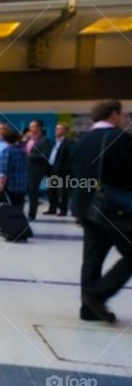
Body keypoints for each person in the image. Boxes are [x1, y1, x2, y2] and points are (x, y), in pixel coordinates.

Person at [70, 100, 132, 323]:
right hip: (113, 208)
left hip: (85, 207)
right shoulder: (119, 138)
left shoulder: (80, 141)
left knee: (92, 257)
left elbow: (69, 173)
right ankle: (96, 295)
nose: (124, 119)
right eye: (123, 114)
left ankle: (88, 310)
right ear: (114, 114)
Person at [0, 125, 28, 208]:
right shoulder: (22, 150)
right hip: (21, 182)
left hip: (11, 184)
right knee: (19, 206)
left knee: (9, 206)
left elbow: (4, 169)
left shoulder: (7, 150)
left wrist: (1, 184)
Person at [25, 119, 52, 220]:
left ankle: (32, 214)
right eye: (30, 126)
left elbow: (45, 156)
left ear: (39, 128)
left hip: (35, 170)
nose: (30, 128)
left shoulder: (44, 140)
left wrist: (29, 156)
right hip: (25, 168)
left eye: (33, 126)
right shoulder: (28, 139)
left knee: (32, 192)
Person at [45, 123, 73, 217]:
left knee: (63, 192)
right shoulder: (54, 141)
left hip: (63, 171)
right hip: (52, 168)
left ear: (65, 131)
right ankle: (52, 208)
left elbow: (70, 157)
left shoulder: (69, 142)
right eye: (56, 129)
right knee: (51, 190)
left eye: (60, 129)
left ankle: (63, 209)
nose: (57, 131)